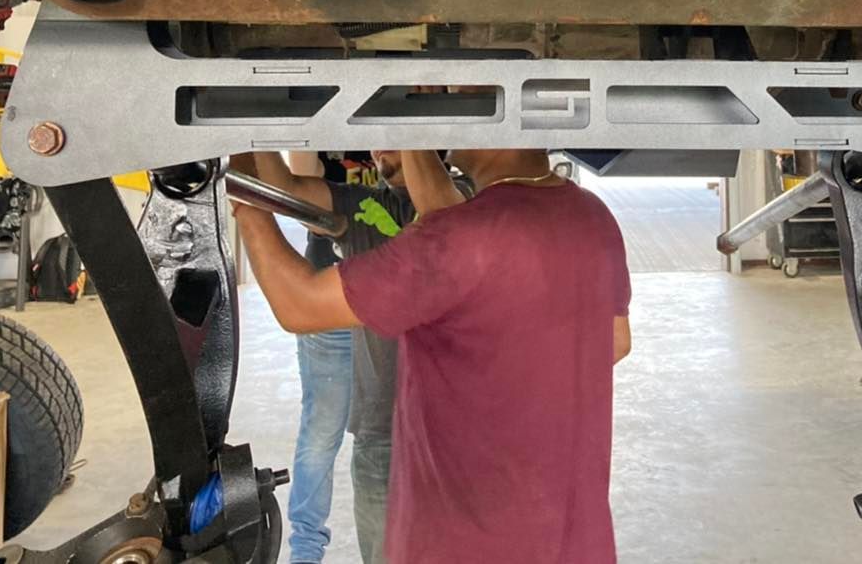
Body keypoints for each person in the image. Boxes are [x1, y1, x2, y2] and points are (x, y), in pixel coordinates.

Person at [233, 148, 632, 564]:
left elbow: (299, 305)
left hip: (466, 539)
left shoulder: (459, 238)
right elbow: (615, 341)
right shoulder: (591, 216)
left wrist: (242, 193)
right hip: (569, 537)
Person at [235, 148, 461, 563]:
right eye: (378, 137)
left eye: (393, 135)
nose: (378, 149)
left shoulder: (472, 204)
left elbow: (448, 216)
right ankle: (305, 549)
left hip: (454, 442)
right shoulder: (373, 206)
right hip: (380, 435)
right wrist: (248, 126)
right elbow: (284, 187)